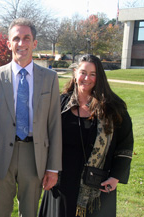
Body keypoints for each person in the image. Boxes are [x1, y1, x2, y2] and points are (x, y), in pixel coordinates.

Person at [0, 17, 62, 217]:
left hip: (34, 155)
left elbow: (54, 126)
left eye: (26, 38)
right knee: (1, 211)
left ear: (34, 43)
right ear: (9, 43)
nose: (21, 44)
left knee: (30, 212)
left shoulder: (49, 79)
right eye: (16, 38)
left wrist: (53, 168)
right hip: (1, 157)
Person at [38, 54, 134, 217]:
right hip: (61, 183)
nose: (87, 78)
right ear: (75, 73)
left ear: (100, 77)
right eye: (83, 72)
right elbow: (45, 139)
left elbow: (125, 146)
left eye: (93, 74)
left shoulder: (113, 108)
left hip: (97, 186)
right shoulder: (60, 103)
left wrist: (116, 177)